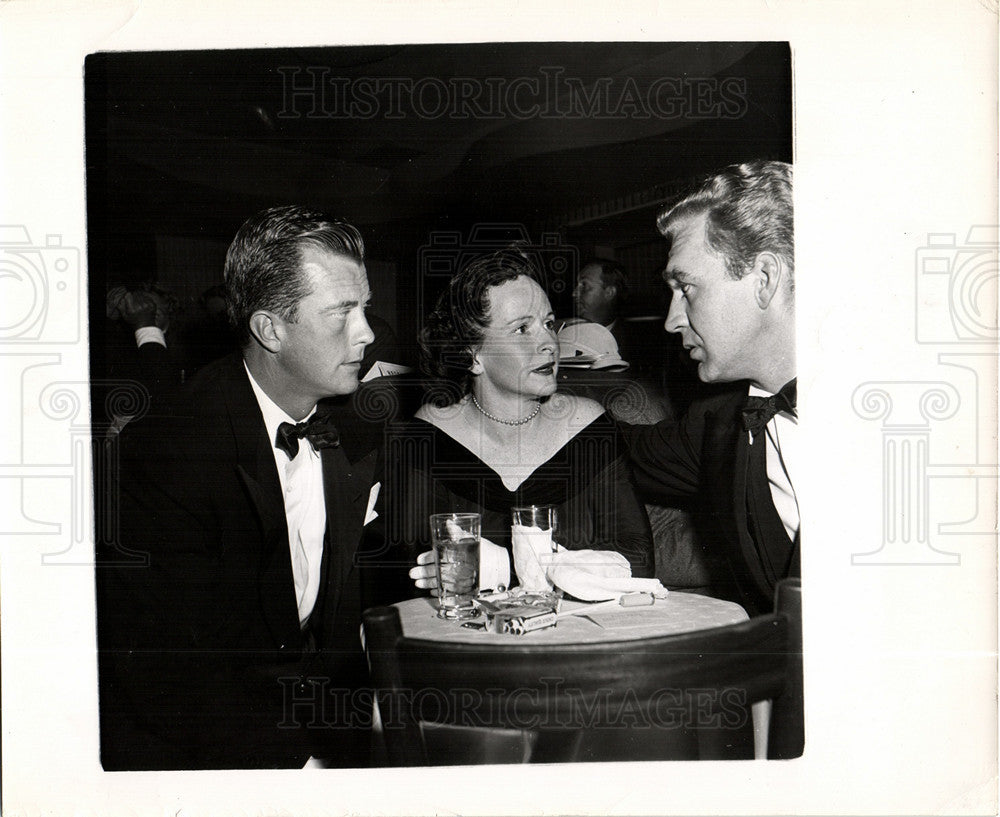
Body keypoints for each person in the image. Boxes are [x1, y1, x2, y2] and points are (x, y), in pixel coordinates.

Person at [96, 205, 385, 770]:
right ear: (269, 328)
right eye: (342, 313)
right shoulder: (169, 450)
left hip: (324, 726)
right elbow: (167, 672)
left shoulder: (356, 427)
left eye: (366, 309)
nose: (368, 333)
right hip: (210, 751)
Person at [396, 248, 654, 592]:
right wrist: (563, 569)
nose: (549, 342)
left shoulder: (587, 424)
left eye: (549, 323)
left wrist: (503, 569)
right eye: (522, 329)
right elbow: (414, 567)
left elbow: (638, 559)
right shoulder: (432, 432)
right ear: (473, 355)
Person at [621, 160, 797, 616]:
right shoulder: (718, 422)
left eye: (687, 288)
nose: (671, 319)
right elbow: (619, 450)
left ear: (765, 279)